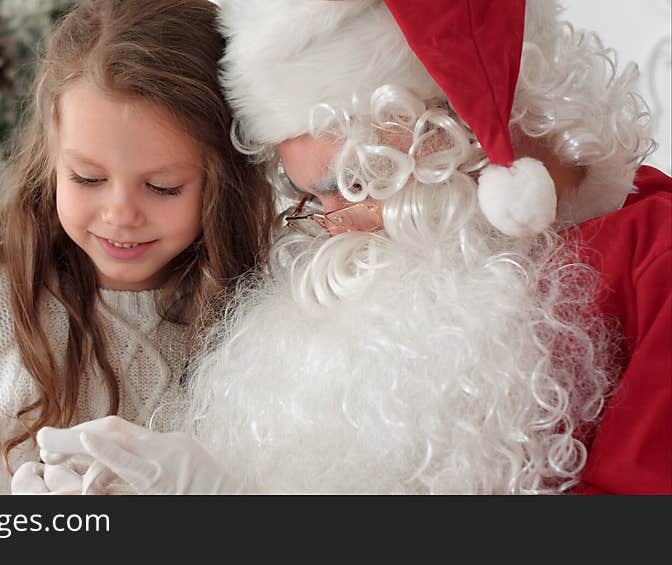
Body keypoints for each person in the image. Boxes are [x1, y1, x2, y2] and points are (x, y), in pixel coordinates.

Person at [36, 0, 671, 494]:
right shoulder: (360, 270)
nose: (331, 226)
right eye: (314, 196)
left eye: (360, 182)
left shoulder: (654, 260)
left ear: (467, 132)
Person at [0, 0, 274, 495]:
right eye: (88, 178)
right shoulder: (5, 311)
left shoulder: (254, 316)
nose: (120, 213)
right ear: (51, 162)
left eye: (163, 186)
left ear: (224, 181)